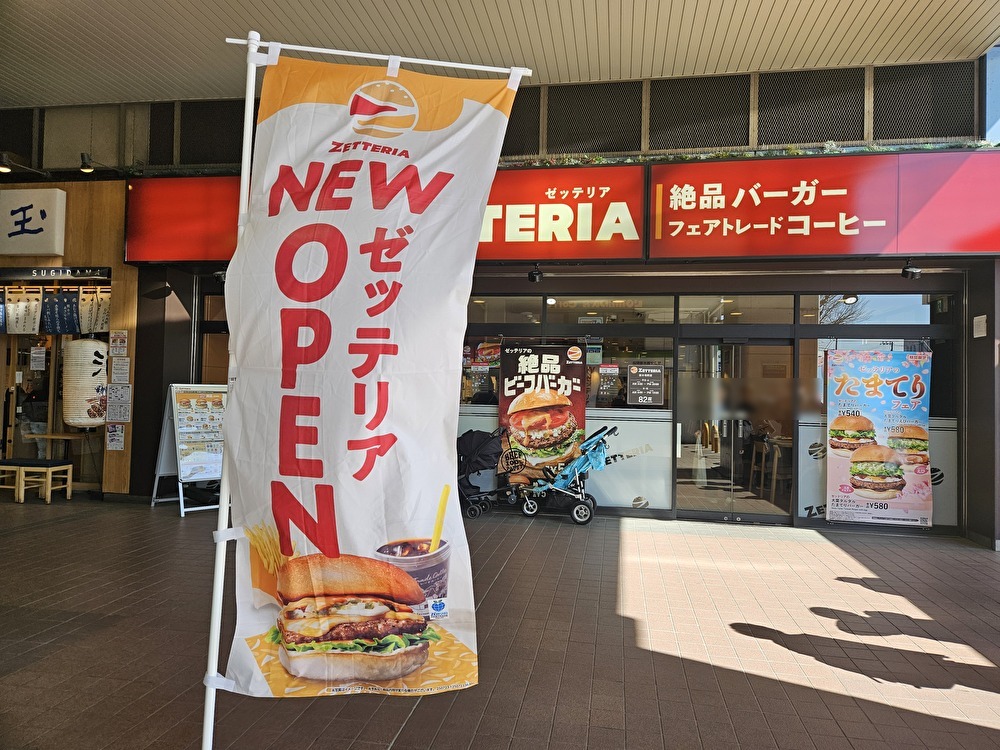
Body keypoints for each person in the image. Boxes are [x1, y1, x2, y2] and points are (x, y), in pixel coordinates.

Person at [18, 377, 48, 458]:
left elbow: (25, 407)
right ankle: (41, 466)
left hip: (33, 422)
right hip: (42, 422)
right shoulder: (46, 395)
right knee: (43, 448)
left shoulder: (32, 396)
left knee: (40, 448)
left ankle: (39, 465)